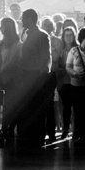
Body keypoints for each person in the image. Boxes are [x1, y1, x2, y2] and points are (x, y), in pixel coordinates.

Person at [18, 8, 52, 146]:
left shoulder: (41, 35)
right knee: (28, 106)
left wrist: (40, 77)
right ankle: (29, 133)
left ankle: (36, 134)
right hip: (27, 76)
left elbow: (45, 58)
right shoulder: (26, 34)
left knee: (36, 107)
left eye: (24, 18)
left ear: (30, 19)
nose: (21, 21)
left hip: (35, 77)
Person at [0, 17, 23, 138]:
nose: (0, 28)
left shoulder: (18, 45)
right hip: (3, 79)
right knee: (6, 105)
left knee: (10, 105)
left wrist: (2, 69)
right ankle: (6, 129)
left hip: (12, 80)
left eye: (2, 26)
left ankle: (8, 129)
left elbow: (14, 62)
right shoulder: (2, 44)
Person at [43, 16, 65, 141]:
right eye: (45, 24)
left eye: (48, 25)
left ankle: (52, 130)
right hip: (43, 75)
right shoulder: (40, 39)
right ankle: (46, 130)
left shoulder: (57, 41)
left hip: (53, 74)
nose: (47, 27)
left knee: (53, 104)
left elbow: (57, 57)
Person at [57, 26, 78, 136]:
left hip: (75, 82)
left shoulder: (77, 49)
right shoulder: (61, 50)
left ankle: (74, 129)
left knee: (74, 107)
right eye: (66, 35)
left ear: (74, 36)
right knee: (66, 107)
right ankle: (65, 129)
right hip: (64, 82)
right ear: (63, 37)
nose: (68, 37)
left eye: (71, 35)